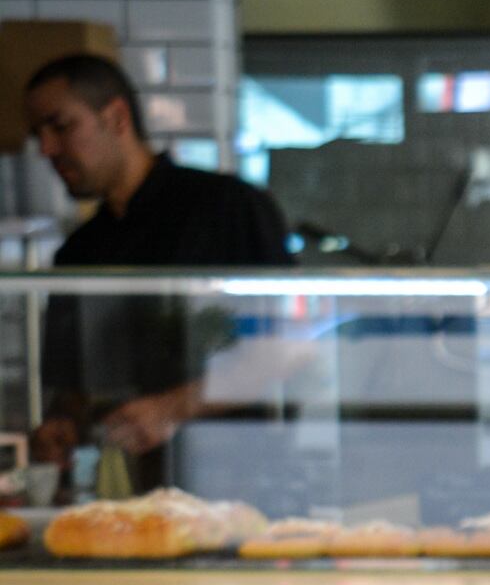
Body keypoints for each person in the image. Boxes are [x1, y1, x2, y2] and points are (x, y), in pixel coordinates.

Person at [22, 52, 290, 481]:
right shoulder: (78, 252)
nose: (47, 149)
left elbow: (284, 350)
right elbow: (72, 386)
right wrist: (63, 423)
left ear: (116, 117)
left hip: (235, 479)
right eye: (39, 134)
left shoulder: (227, 206)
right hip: (121, 490)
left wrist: (171, 408)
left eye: (60, 126)